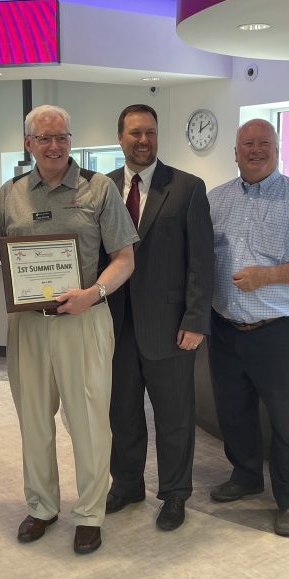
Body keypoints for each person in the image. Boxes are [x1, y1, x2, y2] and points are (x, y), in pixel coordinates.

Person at [0, 104, 137, 555]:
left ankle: (89, 514)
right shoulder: (10, 195)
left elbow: (124, 258)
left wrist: (93, 294)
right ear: (29, 144)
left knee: (88, 423)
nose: (55, 145)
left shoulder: (99, 190)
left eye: (62, 136)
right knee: (34, 421)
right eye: (44, 138)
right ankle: (41, 506)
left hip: (83, 317)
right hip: (28, 323)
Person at [206, 118, 289, 538]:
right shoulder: (216, 199)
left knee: (288, 422)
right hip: (225, 328)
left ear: (278, 149)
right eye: (247, 144)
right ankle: (244, 477)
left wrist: (267, 276)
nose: (255, 150)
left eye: (264, 143)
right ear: (236, 152)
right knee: (233, 413)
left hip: (277, 330)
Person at [104, 104, 213, 531]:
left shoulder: (187, 188)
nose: (143, 140)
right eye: (134, 133)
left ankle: (174, 494)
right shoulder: (102, 187)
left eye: (149, 132)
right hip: (114, 325)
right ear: (121, 137)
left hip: (171, 327)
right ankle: (127, 483)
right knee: (122, 413)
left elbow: (202, 261)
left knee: (174, 417)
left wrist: (196, 319)